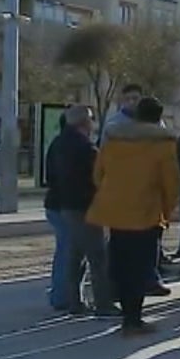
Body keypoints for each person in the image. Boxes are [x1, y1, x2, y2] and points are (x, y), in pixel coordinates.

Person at [87, 97, 180, 336]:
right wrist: (167, 212)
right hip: (146, 213)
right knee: (140, 267)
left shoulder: (113, 140)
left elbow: (98, 175)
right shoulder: (163, 145)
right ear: (159, 118)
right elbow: (171, 184)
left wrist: (114, 195)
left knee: (120, 263)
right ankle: (133, 320)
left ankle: (126, 315)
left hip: (116, 213)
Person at [53, 105, 119, 318]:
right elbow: (101, 178)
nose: (93, 123)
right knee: (98, 257)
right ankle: (103, 304)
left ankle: (74, 301)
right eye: (91, 119)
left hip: (66, 205)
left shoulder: (57, 144)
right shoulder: (86, 148)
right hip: (87, 207)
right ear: (84, 122)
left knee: (75, 254)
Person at [44, 112, 69, 311]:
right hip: (65, 206)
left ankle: (60, 294)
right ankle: (61, 296)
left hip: (55, 204)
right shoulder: (75, 147)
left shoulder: (57, 144)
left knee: (64, 249)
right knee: (67, 251)